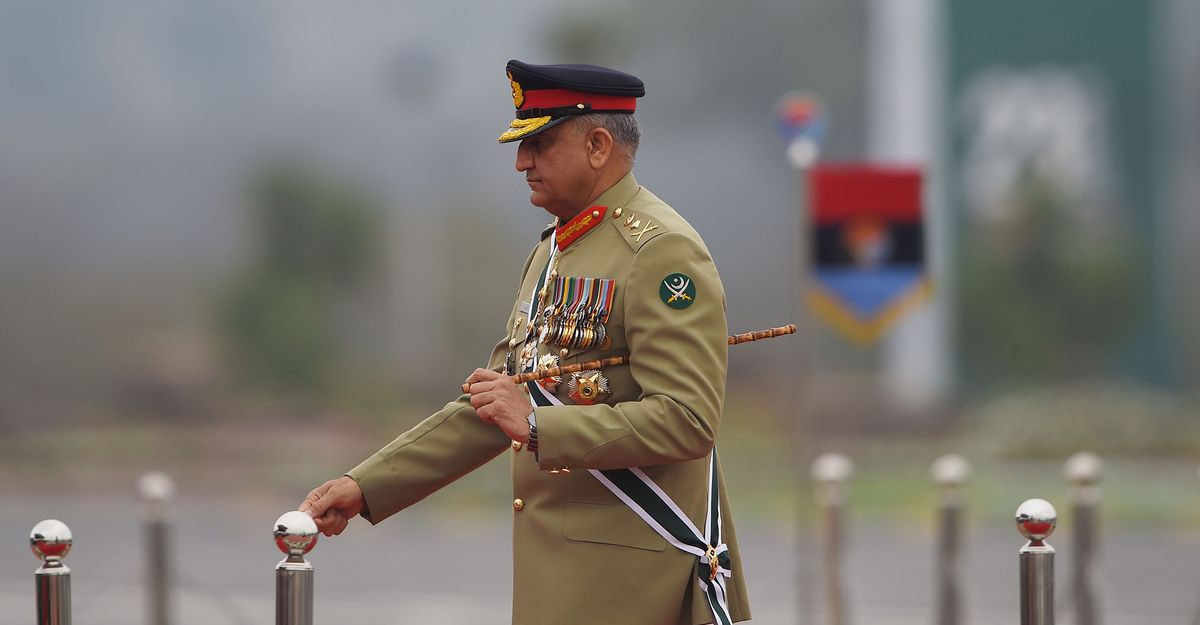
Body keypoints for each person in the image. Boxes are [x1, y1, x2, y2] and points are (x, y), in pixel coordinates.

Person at [299, 59, 751, 625]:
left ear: (598, 145)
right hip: (561, 579)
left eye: (539, 143)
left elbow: (688, 420)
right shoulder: (552, 249)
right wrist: (365, 486)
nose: (521, 162)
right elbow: (495, 404)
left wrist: (539, 427)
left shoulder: (660, 250)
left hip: (631, 581)